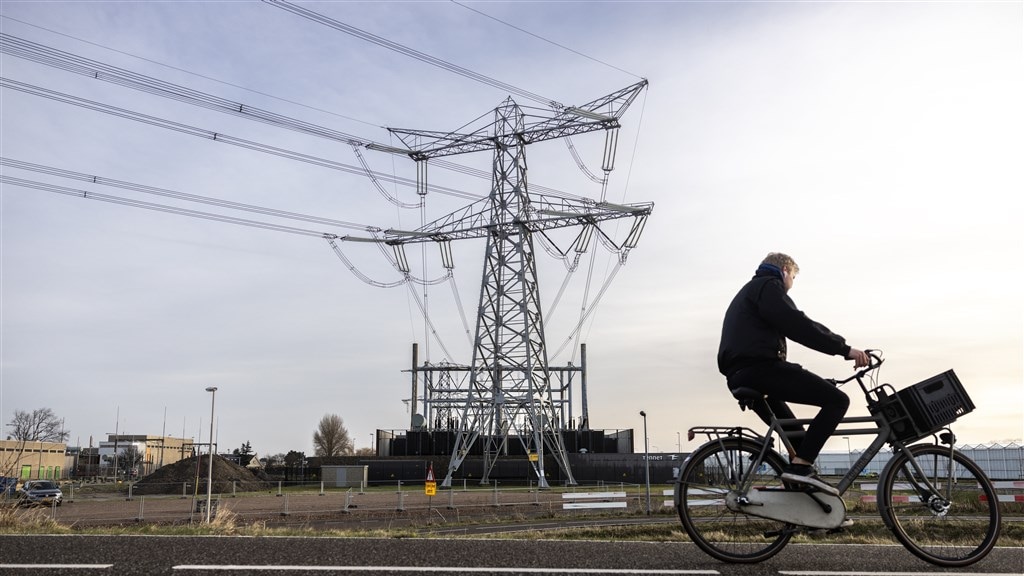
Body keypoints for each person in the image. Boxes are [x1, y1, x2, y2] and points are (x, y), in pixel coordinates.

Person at [717, 252, 869, 495]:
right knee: (837, 401)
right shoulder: (769, 286)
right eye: (794, 278)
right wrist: (844, 349)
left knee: (799, 441)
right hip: (760, 370)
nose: (792, 285)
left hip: (742, 374)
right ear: (786, 270)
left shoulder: (751, 290)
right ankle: (799, 471)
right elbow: (798, 325)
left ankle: (811, 511)